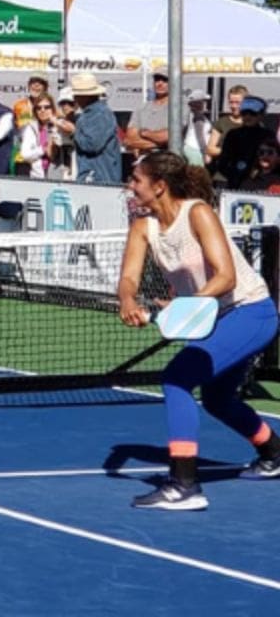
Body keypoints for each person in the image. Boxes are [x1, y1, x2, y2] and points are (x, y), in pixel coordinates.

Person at [118, 151, 280, 509]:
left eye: (136, 181)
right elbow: (129, 277)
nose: (130, 186)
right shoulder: (142, 227)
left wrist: (182, 308)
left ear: (159, 187)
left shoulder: (198, 213)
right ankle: (273, 452)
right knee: (217, 399)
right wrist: (127, 301)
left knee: (177, 379)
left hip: (251, 312)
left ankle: (184, 484)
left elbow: (226, 276)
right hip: (213, 319)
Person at [66, 73, 121, 184]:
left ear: (85, 96)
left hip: (98, 177)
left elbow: (92, 145)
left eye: (76, 95)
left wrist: (73, 131)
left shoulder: (99, 114)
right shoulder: (92, 113)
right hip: (95, 176)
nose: (74, 98)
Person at [214, 96, 271, 189]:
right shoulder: (233, 135)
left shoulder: (268, 135)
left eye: (252, 113)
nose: (248, 116)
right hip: (236, 184)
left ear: (262, 115)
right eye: (244, 113)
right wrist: (234, 175)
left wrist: (260, 172)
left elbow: (273, 162)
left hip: (262, 185)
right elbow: (223, 163)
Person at [125, 68, 171, 157]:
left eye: (165, 80)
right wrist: (160, 144)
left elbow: (169, 136)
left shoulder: (179, 108)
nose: (160, 83)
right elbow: (129, 140)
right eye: (157, 79)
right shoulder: (141, 108)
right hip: (144, 161)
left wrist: (144, 133)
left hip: (167, 161)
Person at [12, 72, 50, 175]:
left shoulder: (49, 106)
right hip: (22, 158)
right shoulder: (19, 105)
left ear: (46, 87)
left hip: (42, 158)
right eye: (33, 82)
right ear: (28, 85)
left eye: (40, 83)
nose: (36, 85)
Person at [206, 84, 248, 169]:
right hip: (223, 176)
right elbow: (210, 149)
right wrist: (230, 151)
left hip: (246, 175)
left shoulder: (253, 123)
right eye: (231, 102)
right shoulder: (221, 122)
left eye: (237, 103)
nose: (233, 106)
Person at [18, 95, 59, 180]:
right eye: (38, 108)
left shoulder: (60, 125)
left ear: (53, 109)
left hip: (59, 175)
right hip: (37, 176)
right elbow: (25, 154)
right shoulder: (31, 128)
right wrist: (43, 149)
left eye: (46, 107)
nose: (42, 110)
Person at [182, 90, 213, 168]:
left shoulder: (191, 114)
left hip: (191, 148)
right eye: (204, 101)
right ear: (199, 103)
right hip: (195, 149)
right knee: (196, 175)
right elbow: (200, 136)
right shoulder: (198, 117)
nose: (205, 104)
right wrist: (205, 153)